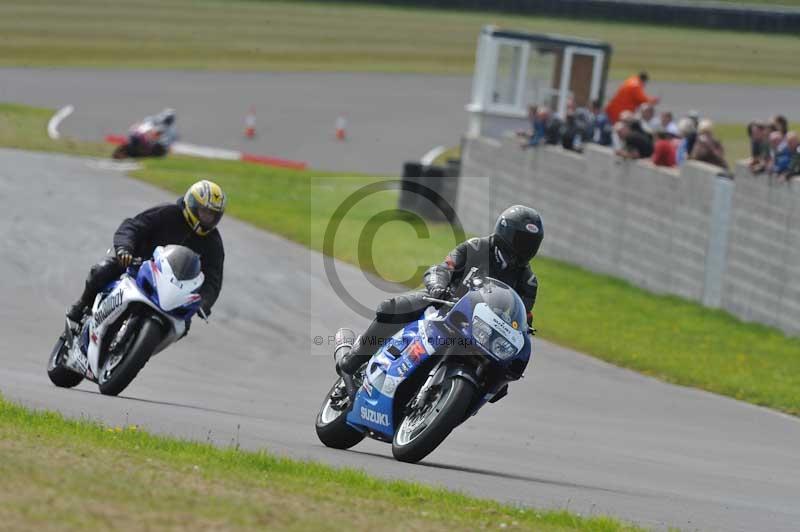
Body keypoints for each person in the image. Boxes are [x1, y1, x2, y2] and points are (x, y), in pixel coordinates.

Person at [335, 205, 543, 379]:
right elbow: (444, 267)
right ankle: (352, 360)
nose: (523, 248)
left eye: (530, 244)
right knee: (392, 308)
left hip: (482, 331)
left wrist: (523, 330)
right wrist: (438, 286)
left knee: (503, 374)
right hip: (446, 305)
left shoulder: (528, 281)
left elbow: (522, 316)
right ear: (504, 232)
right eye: (520, 240)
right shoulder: (476, 247)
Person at [66, 180, 226, 323]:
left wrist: (204, 302)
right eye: (205, 212)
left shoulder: (214, 243)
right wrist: (124, 249)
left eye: (213, 215)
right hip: (137, 266)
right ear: (192, 205)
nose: (208, 219)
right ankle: (81, 304)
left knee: (183, 324)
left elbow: (213, 278)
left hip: (174, 290)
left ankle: (143, 350)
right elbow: (132, 226)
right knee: (103, 269)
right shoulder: (167, 213)